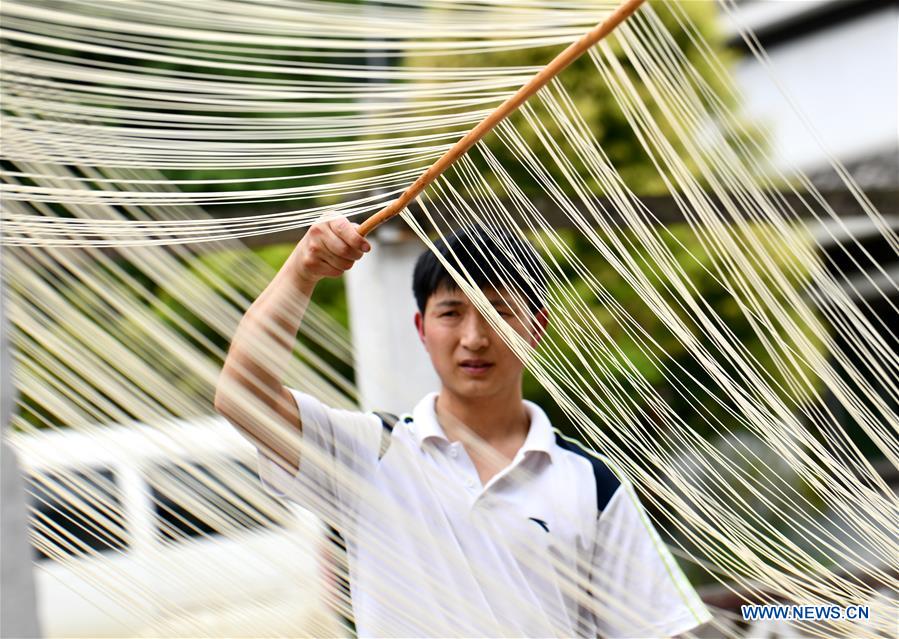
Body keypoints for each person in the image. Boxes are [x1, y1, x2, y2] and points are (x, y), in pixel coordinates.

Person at [215, 216, 711, 638]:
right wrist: (301, 271)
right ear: (422, 330)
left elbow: (656, 628)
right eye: (452, 312)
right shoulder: (371, 453)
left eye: (499, 311)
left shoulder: (592, 484)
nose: (475, 338)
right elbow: (241, 396)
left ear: (535, 328)